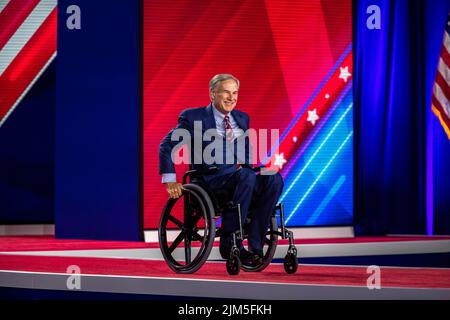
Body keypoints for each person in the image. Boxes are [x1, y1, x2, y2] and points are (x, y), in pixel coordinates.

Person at [159, 74, 284, 266]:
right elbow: (166, 146)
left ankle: (255, 248)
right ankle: (229, 243)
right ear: (212, 94)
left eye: (235, 93)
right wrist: (170, 180)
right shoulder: (193, 117)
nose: (231, 97)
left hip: (241, 178)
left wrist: (255, 168)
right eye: (226, 92)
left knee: (273, 178)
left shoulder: (242, 118)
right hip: (210, 182)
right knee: (246, 177)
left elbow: (246, 152)